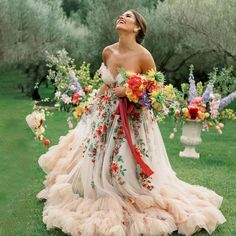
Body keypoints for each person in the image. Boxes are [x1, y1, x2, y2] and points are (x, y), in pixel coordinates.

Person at [37, 9, 226, 236]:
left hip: (133, 120)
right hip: (107, 117)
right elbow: (107, 84)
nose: (122, 17)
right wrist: (92, 104)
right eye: (121, 15)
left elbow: (156, 91)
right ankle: (102, 190)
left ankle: (130, 194)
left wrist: (129, 90)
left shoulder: (144, 56)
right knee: (100, 158)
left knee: (125, 162)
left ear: (137, 28)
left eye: (128, 16)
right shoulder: (107, 52)